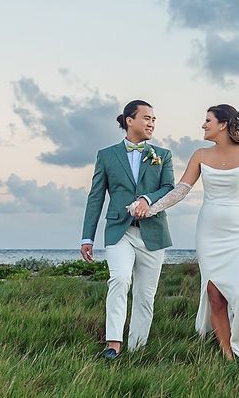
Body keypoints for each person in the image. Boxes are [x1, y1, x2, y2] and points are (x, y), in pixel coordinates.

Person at [129, 104, 239, 360]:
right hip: (209, 233)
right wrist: (151, 208)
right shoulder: (200, 155)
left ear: (223, 124)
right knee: (214, 293)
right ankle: (227, 353)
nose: (203, 125)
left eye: (208, 120)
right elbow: (181, 190)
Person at [80, 100, 175, 361]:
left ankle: (137, 349)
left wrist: (146, 199)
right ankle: (113, 346)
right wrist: (87, 237)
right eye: (146, 118)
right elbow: (95, 197)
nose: (151, 123)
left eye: (154, 119)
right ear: (129, 120)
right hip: (119, 232)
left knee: (145, 295)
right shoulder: (107, 155)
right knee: (119, 280)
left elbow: (169, 187)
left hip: (153, 234)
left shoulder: (163, 155)